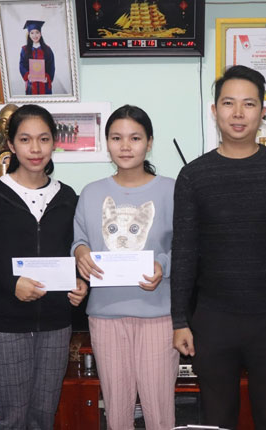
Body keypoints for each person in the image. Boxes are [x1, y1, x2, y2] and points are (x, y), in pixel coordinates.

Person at [171, 65, 266, 429]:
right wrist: (179, 321)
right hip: (213, 321)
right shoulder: (194, 176)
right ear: (214, 110)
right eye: (228, 103)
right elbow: (184, 252)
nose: (238, 113)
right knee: (217, 421)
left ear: (263, 112)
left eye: (248, 104)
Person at [0, 104, 88, 429]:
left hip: (55, 326)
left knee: (43, 418)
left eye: (43, 139)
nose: (35, 149)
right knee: (11, 420)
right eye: (25, 139)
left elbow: (75, 255)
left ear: (54, 143)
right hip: (6, 326)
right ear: (11, 144)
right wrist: (12, 283)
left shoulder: (68, 198)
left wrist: (80, 285)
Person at [72, 105, 178, 430]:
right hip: (105, 314)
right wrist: (81, 252)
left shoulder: (171, 190)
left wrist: (163, 265)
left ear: (149, 142)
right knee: (117, 412)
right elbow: (78, 239)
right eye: (117, 138)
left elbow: (187, 248)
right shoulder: (92, 193)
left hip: (157, 313)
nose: (125, 146)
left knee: (158, 410)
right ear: (107, 143)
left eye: (135, 137)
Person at [19, 20, 55, 95]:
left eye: (37, 32)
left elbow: (51, 66)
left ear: (40, 34)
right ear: (29, 34)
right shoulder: (24, 50)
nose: (35, 36)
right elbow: (22, 65)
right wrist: (27, 75)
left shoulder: (47, 49)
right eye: (32, 33)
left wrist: (47, 78)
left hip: (44, 84)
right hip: (31, 85)